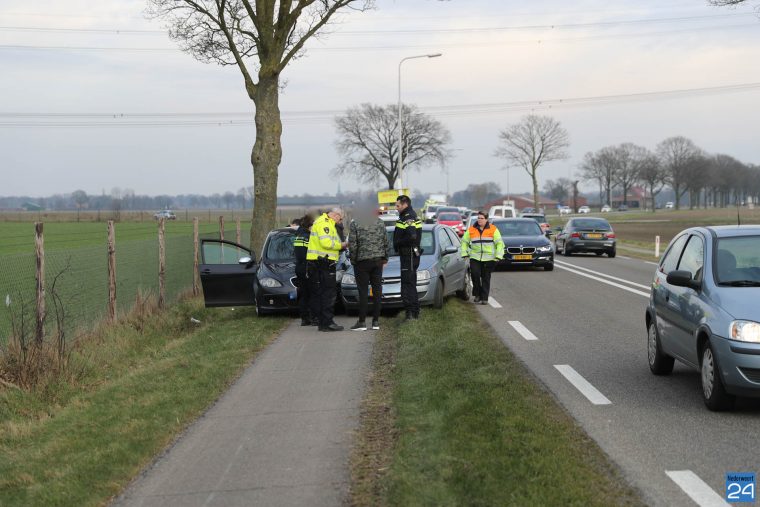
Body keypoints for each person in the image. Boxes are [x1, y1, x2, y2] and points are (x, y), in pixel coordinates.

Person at [307, 207, 347, 332]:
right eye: (340, 219)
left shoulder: (321, 221)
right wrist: (341, 245)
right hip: (324, 262)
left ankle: (323, 323)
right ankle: (328, 323)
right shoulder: (325, 224)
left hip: (318, 262)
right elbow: (326, 243)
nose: (340, 222)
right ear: (336, 215)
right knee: (329, 294)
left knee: (322, 293)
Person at [348, 207, 388, 331]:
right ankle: (376, 321)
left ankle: (362, 322)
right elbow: (386, 241)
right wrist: (385, 258)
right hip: (378, 261)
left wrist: (353, 260)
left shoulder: (355, 223)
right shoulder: (380, 222)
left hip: (362, 262)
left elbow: (353, 244)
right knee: (377, 291)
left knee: (363, 292)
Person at [460, 211, 504, 305]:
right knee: (475, 275)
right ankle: (477, 294)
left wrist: (498, 256)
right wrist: (464, 253)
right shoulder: (471, 230)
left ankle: (484, 298)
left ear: (486, 219)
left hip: (489, 258)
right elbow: (464, 242)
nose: (479, 220)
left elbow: (500, 244)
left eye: (482, 218)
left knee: (485, 277)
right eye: (478, 218)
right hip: (475, 257)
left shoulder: (493, 229)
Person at [393, 195, 422, 320]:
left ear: (405, 204)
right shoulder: (409, 215)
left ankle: (410, 313)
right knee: (411, 283)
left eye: (398, 205)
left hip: (408, 255)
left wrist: (398, 242)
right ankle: (414, 312)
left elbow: (412, 236)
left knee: (407, 284)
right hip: (410, 254)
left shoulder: (408, 216)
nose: (396, 207)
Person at [293, 213, 314, 326]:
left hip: (300, 267)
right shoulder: (307, 237)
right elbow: (308, 254)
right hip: (307, 268)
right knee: (310, 294)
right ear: (310, 225)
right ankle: (310, 317)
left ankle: (304, 318)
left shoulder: (299, 235)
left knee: (303, 294)